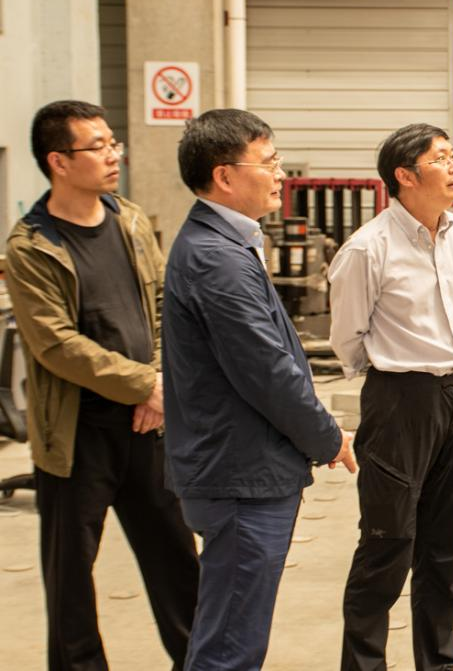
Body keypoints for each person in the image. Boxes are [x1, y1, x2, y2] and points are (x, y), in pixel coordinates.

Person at [5, 100, 199, 670]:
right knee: (70, 575)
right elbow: (57, 344)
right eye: (98, 146)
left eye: (114, 143)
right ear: (59, 161)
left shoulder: (130, 221)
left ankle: (200, 661)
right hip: (76, 437)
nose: (115, 155)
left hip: (145, 427)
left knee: (176, 560)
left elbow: (163, 308)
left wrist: (158, 383)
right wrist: (144, 385)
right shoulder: (31, 247)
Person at [162, 108, 355, 671]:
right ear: (225, 175)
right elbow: (267, 372)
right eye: (268, 163)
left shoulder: (224, 244)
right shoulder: (216, 258)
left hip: (241, 467)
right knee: (230, 648)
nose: (280, 175)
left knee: (230, 633)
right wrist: (328, 437)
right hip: (240, 475)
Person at [328, 123, 453, 671]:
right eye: (440, 158)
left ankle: (438, 662)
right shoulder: (368, 248)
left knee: (446, 548)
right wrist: (398, 378)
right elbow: (347, 339)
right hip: (399, 402)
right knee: (387, 543)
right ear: (405, 176)